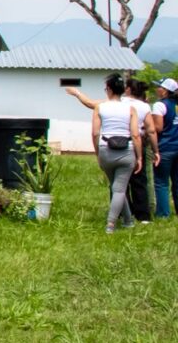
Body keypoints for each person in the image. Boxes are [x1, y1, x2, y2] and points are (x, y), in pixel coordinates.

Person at [67, 78, 160, 223]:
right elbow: (151, 130)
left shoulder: (114, 103)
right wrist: (155, 151)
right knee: (139, 182)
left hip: (112, 145)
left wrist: (77, 93)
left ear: (127, 90)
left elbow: (90, 104)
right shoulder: (143, 106)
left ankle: (120, 215)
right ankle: (143, 216)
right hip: (135, 144)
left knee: (117, 184)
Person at [92, 73, 142, 233]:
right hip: (126, 151)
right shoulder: (131, 109)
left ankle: (123, 221)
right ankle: (113, 224)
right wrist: (139, 156)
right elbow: (135, 135)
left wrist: (97, 153)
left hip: (106, 150)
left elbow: (95, 133)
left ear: (109, 89)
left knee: (117, 188)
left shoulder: (100, 107)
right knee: (119, 189)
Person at [152, 78, 178, 218]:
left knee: (161, 182)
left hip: (165, 147)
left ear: (166, 91)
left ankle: (163, 213)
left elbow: (158, 128)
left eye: (159, 87)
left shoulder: (160, 105)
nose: (157, 89)